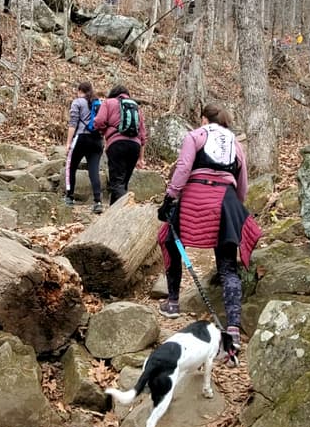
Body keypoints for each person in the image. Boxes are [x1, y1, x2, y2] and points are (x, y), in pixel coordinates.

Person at [155, 104, 262, 349]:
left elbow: (183, 168)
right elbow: (242, 181)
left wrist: (170, 197)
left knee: (169, 239)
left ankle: (172, 302)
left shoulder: (196, 135)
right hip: (225, 199)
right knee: (227, 266)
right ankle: (233, 327)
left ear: (204, 118)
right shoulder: (235, 143)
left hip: (194, 196)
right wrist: (236, 205)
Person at [94, 84, 147, 204]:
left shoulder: (108, 102)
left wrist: (104, 131)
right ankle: (113, 215)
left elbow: (99, 121)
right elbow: (143, 135)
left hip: (116, 144)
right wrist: (141, 158)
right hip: (135, 146)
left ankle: (129, 209)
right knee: (122, 183)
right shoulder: (136, 107)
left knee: (117, 183)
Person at [64, 81, 104, 213]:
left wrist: (68, 143)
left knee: (71, 166)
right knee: (94, 170)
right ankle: (97, 201)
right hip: (97, 140)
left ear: (79, 90)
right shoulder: (99, 102)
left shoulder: (77, 102)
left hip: (81, 138)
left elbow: (73, 123)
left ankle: (69, 197)